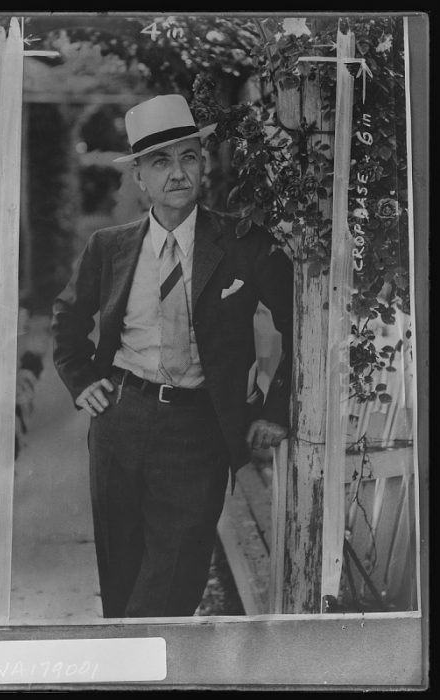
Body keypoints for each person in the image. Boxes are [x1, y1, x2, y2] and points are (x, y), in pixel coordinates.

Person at [52, 94, 293, 618]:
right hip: (120, 420)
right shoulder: (108, 247)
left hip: (198, 428)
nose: (177, 173)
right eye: (160, 162)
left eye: (187, 157)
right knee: (121, 577)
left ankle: (149, 668)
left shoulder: (243, 244)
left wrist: (274, 409)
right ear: (139, 176)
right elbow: (67, 323)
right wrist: (80, 381)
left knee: (174, 582)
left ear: (204, 164)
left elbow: (299, 323)